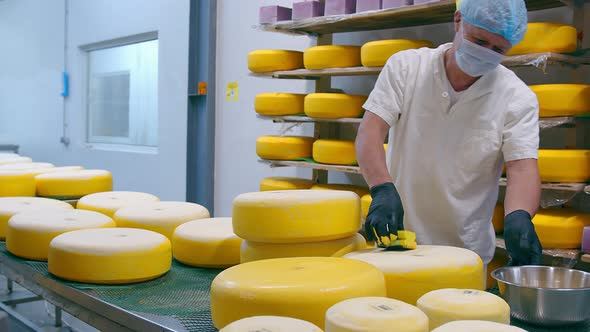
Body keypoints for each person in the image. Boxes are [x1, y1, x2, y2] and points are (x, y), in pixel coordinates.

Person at [356, 0, 542, 267]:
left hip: (466, 252)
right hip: (397, 242)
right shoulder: (407, 68)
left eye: (498, 49)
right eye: (479, 41)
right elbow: (370, 132)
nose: (485, 53)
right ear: (458, 20)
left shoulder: (517, 97)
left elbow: (522, 167)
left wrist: (519, 217)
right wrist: (382, 189)